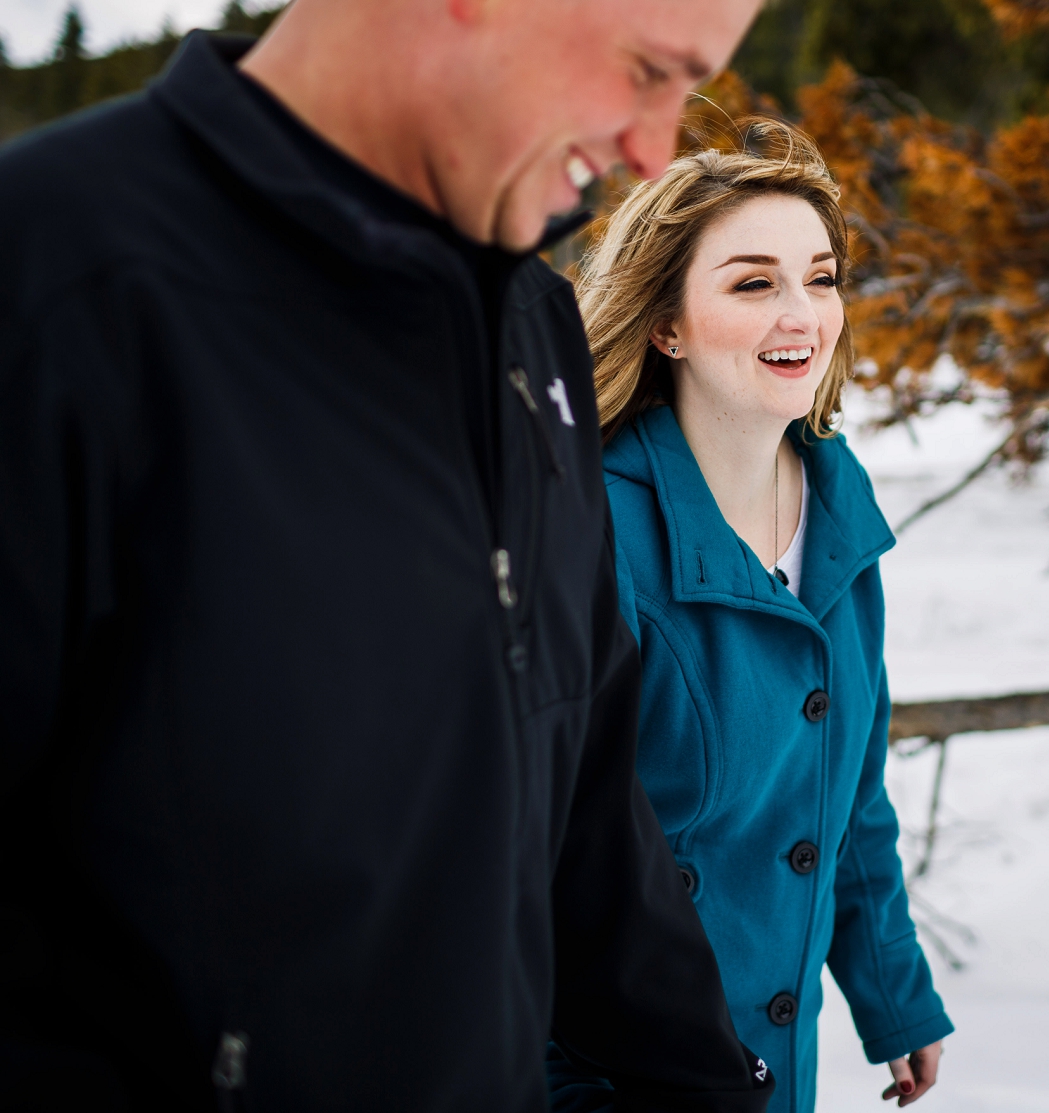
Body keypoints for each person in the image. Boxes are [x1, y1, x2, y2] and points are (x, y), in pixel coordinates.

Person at [0, 1, 776, 1109]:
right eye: (650, 71)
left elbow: (588, 806)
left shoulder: (534, 326)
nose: (654, 151)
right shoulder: (54, 280)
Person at [550, 122, 953, 1113]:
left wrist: (891, 996)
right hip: (609, 1074)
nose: (802, 315)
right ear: (666, 324)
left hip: (779, 1062)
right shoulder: (586, 528)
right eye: (751, 282)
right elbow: (536, 856)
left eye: (819, 278)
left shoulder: (839, 514)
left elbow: (846, 796)